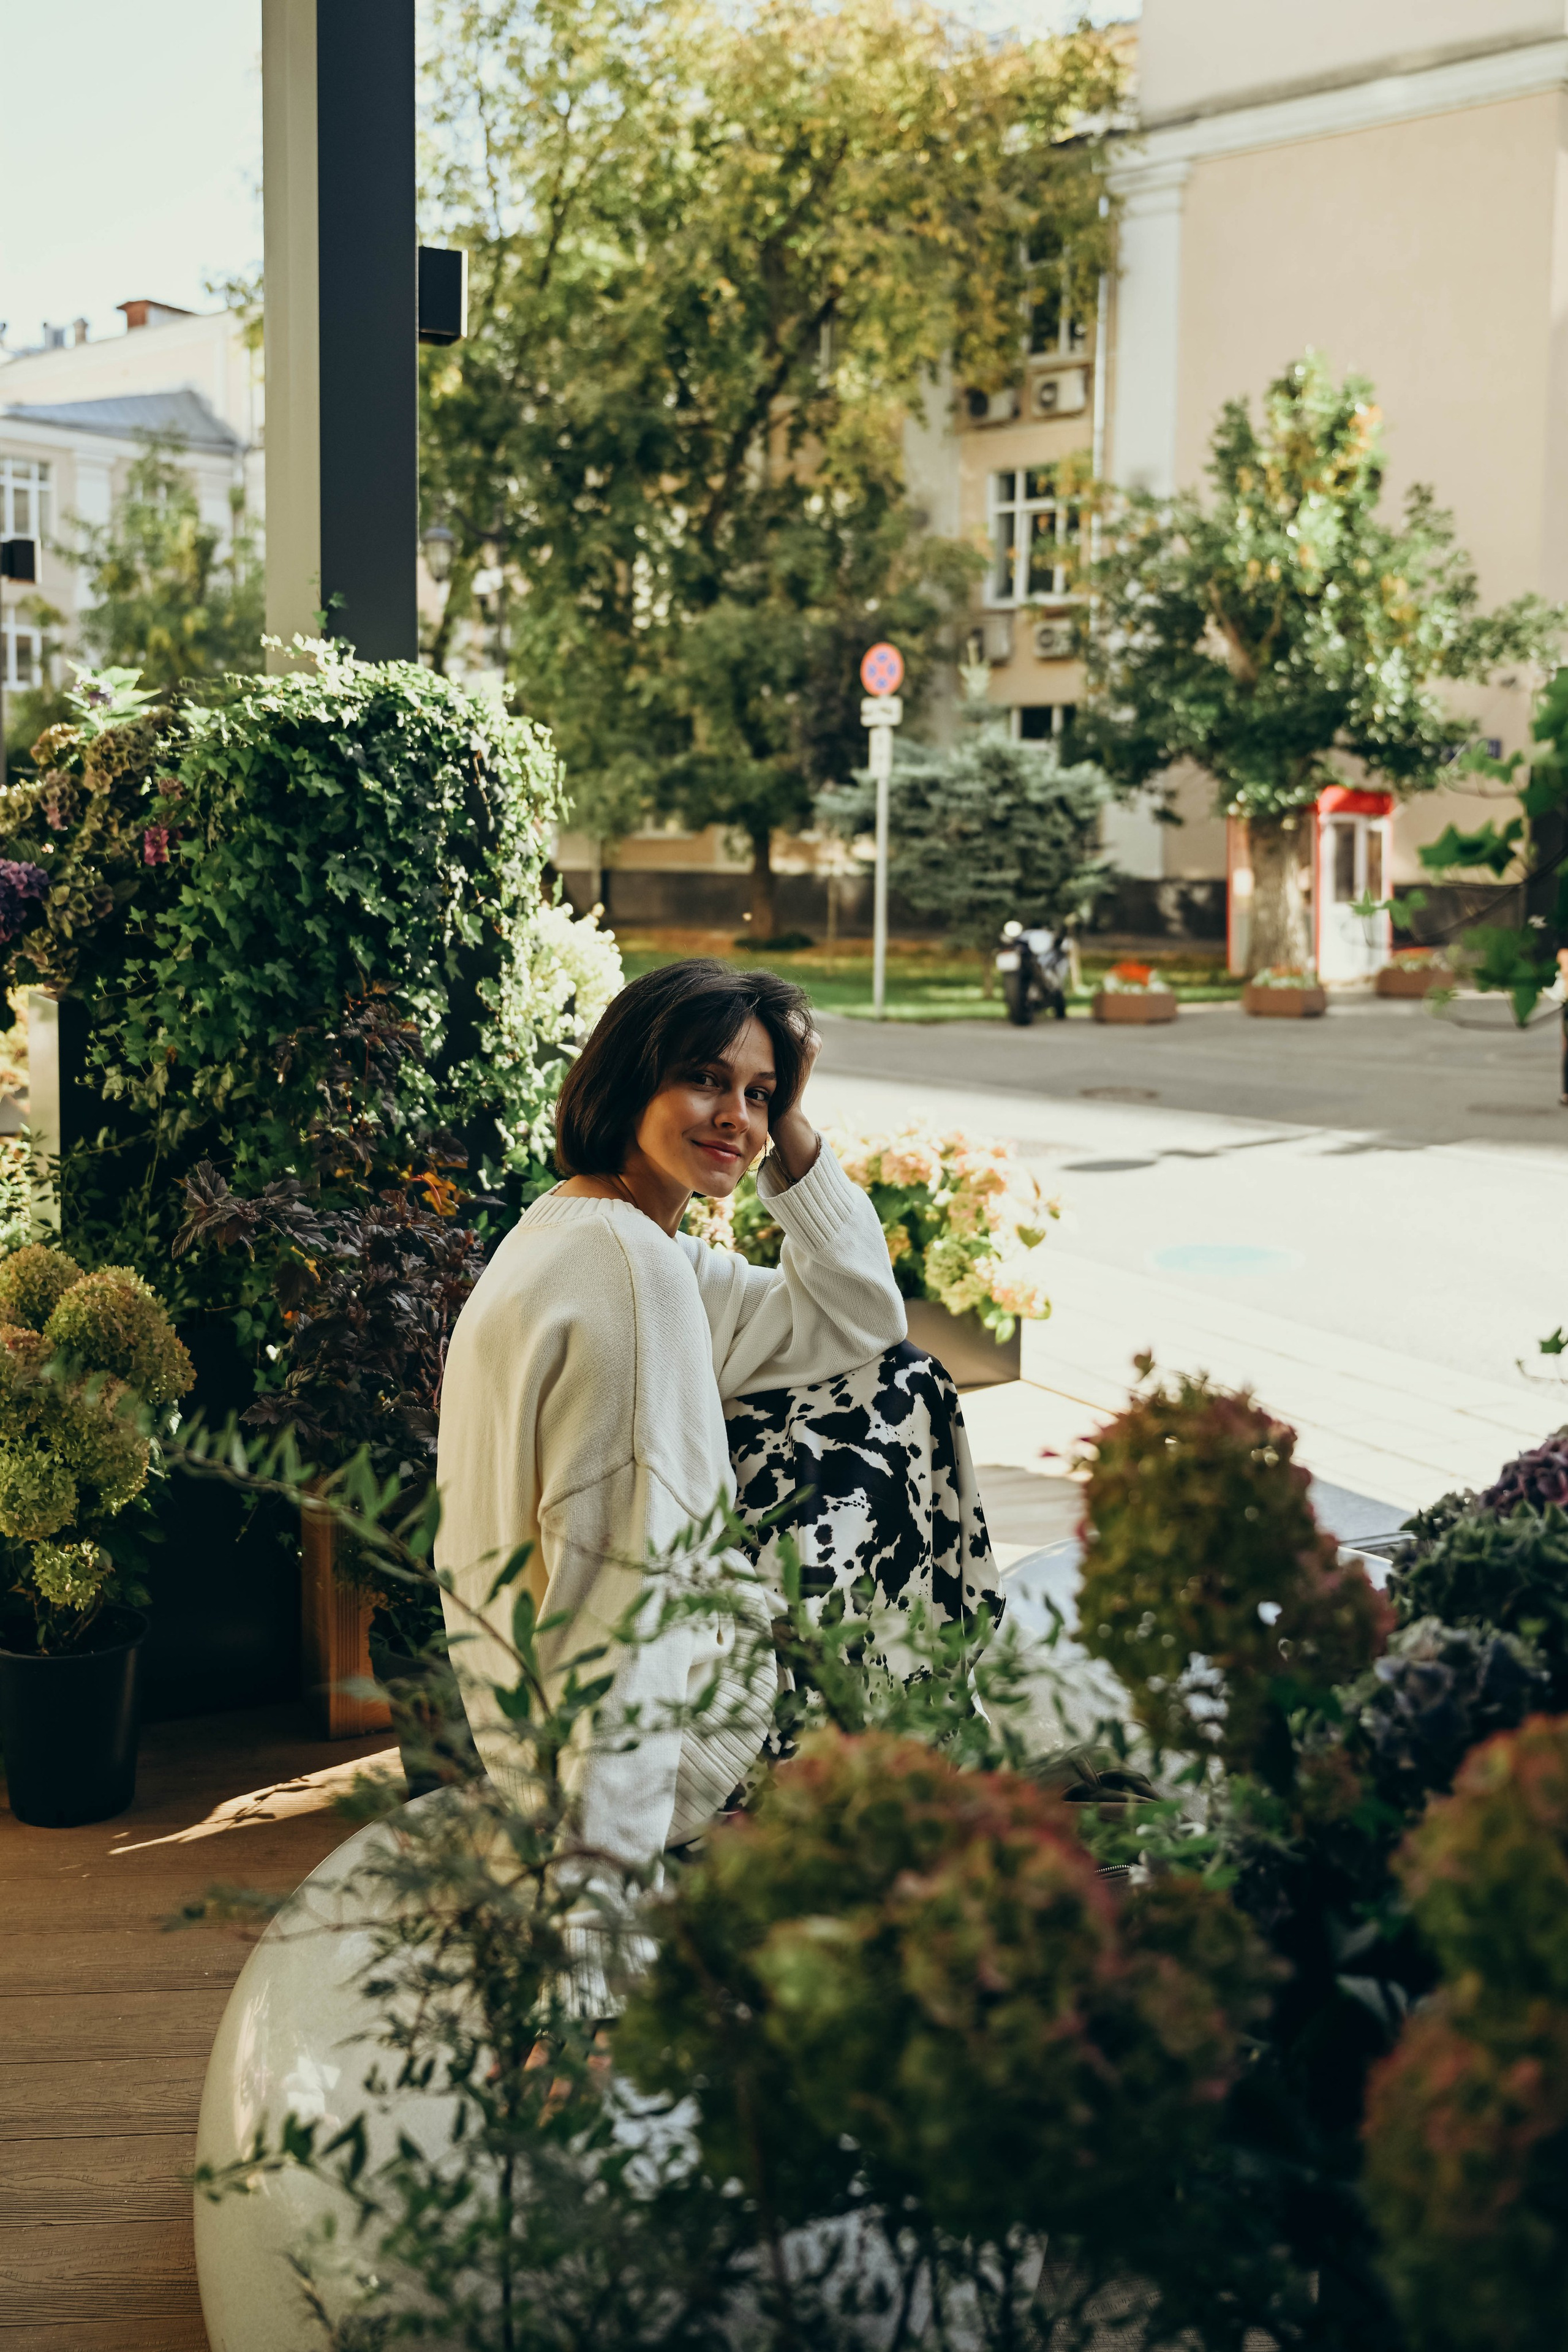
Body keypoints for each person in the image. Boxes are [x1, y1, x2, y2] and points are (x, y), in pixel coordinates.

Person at [435, 959, 997, 1871]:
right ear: (629, 1078)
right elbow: (623, 1587)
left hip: (530, 1731)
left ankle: (925, 1751)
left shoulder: (591, 1236)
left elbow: (858, 1317)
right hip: (692, 1756)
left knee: (894, 1377)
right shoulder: (631, 1274)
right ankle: (916, 1776)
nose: (738, 1117)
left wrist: (795, 1125)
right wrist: (598, 1878)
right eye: (704, 1079)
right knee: (907, 1396)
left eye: (761, 1094)